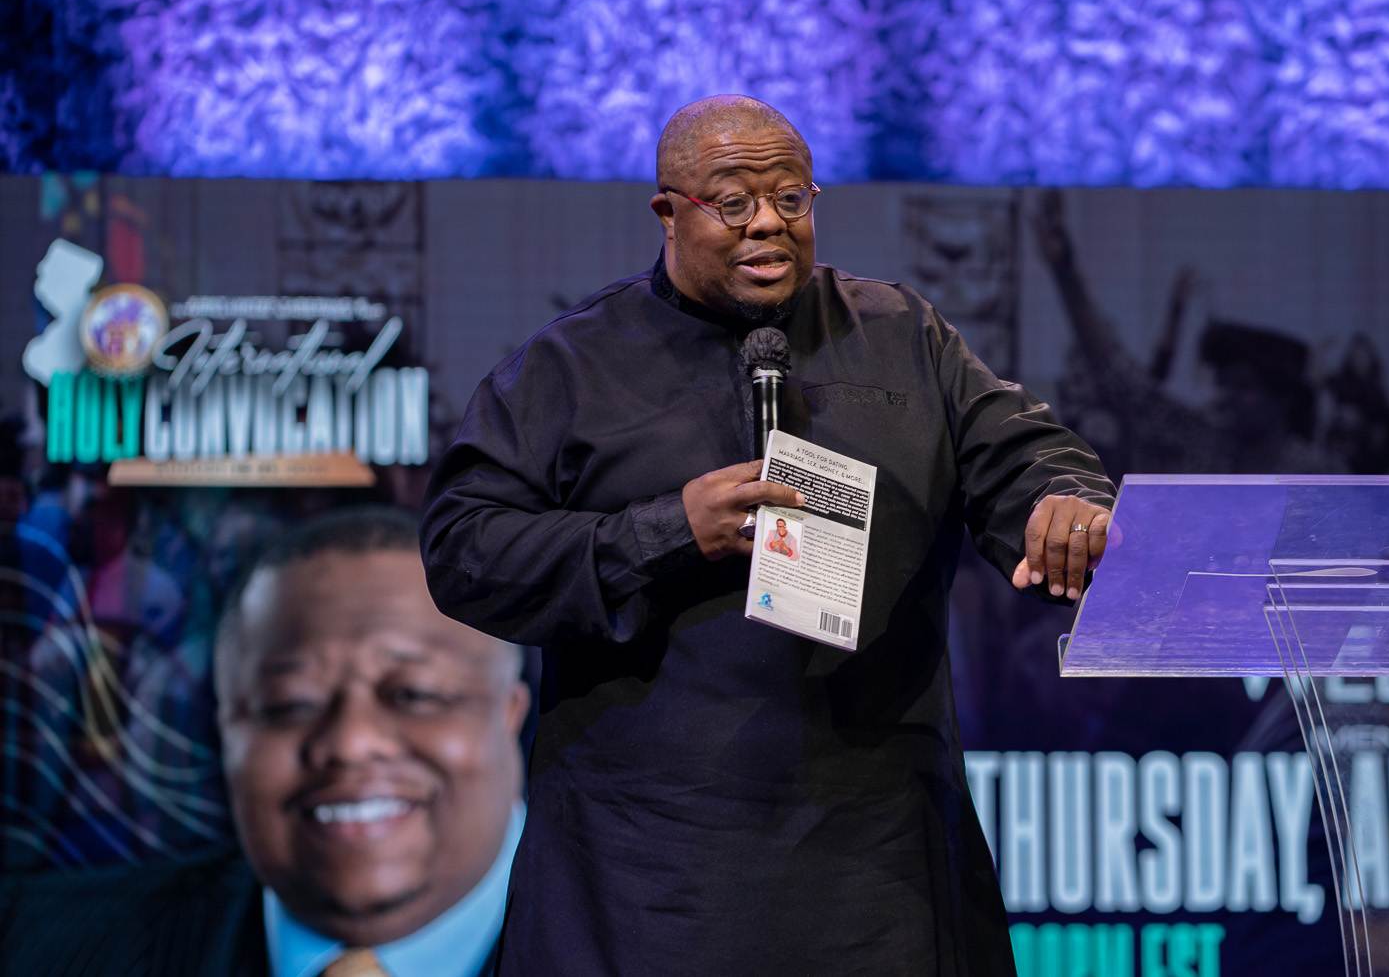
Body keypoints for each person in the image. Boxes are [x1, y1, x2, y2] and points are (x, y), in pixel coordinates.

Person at [421, 94, 1114, 975]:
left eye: (792, 199)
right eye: (735, 202)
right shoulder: (572, 366)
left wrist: (1064, 502)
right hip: (647, 873)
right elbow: (464, 548)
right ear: (668, 212)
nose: (768, 226)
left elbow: (1023, 455)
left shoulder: (901, 336)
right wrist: (668, 530)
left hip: (877, 864)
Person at [0, 507, 530, 977]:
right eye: (290, 704)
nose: (351, 742)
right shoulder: (30, 946)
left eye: (414, 694)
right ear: (226, 727)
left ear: (511, 714)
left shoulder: (609, 940)